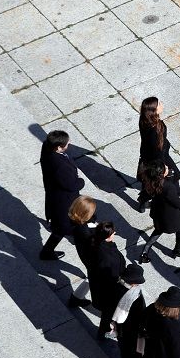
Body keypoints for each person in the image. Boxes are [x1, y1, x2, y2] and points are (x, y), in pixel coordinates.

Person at [136, 96, 180, 210]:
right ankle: (179, 197)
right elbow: (158, 150)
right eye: (159, 104)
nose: (161, 104)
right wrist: (163, 166)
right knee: (169, 177)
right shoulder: (156, 128)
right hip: (159, 158)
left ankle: (144, 201)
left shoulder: (144, 120)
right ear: (154, 110)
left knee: (148, 179)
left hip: (147, 155)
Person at [39, 130, 85, 260]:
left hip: (55, 194)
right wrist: (81, 182)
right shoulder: (60, 166)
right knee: (62, 228)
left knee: (64, 225)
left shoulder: (47, 146)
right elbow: (70, 185)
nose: (69, 143)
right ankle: (46, 252)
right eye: (67, 143)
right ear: (58, 148)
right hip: (64, 200)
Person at [138, 160, 180, 264]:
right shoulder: (168, 187)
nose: (167, 167)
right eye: (165, 167)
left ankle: (145, 251)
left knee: (158, 230)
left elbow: (145, 195)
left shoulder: (151, 181)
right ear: (161, 174)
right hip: (171, 217)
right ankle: (178, 250)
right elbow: (178, 203)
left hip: (158, 213)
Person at [111, 264, 147, 358]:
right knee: (134, 352)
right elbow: (139, 315)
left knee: (125, 348)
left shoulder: (117, 286)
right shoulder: (133, 296)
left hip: (121, 328)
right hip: (132, 331)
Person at [91, 221, 126, 339]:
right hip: (110, 290)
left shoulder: (99, 244)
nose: (114, 233)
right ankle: (103, 333)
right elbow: (110, 275)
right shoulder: (107, 256)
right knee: (108, 313)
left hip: (106, 286)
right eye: (112, 233)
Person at [67, 195, 98, 308]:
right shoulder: (83, 231)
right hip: (91, 257)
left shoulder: (78, 223)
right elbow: (95, 244)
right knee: (94, 277)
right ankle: (75, 299)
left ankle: (76, 299)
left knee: (92, 277)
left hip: (88, 255)